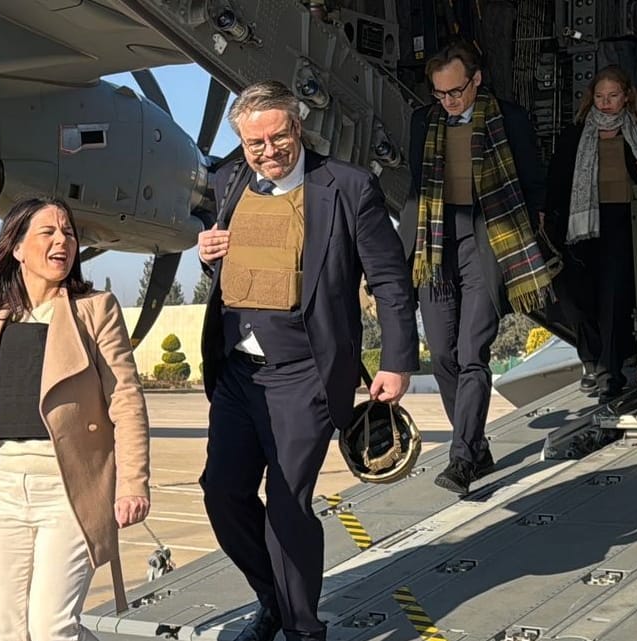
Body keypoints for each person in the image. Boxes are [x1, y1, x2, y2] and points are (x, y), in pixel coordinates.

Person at [197, 80, 418, 641]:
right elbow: (230, 263)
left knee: (287, 502)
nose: (268, 151)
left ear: (298, 127)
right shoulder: (226, 181)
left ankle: (301, 629)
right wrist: (205, 254)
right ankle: (273, 599)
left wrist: (396, 360)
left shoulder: (348, 187)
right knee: (222, 493)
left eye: (279, 136)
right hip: (237, 371)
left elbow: (390, 280)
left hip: (305, 373)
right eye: (255, 143)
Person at [0, 197, 151, 641]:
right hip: (4, 490)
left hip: (68, 489)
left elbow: (126, 400)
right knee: (5, 630)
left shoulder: (94, 309)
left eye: (69, 233)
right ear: (17, 247)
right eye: (48, 232)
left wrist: (133, 482)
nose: (62, 241)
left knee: (51, 628)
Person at [402, 40, 553, 495]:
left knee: (472, 351)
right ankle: (478, 446)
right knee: (443, 355)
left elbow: (532, 180)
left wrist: (534, 228)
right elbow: (415, 186)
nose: (449, 102)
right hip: (436, 240)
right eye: (440, 94)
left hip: (488, 237)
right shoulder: (422, 122)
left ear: (477, 79)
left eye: (456, 92)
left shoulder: (509, 118)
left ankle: (463, 457)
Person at [545, 66, 637, 404]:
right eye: (599, 97)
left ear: (626, 97)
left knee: (613, 297)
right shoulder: (575, 135)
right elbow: (557, 183)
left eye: (612, 97)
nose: (605, 104)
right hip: (581, 228)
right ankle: (595, 359)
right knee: (580, 298)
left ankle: (608, 374)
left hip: (623, 223)